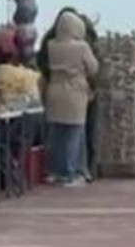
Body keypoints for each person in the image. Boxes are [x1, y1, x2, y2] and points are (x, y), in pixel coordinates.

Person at [42, 10, 99, 187]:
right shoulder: (81, 47)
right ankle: (71, 173)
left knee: (57, 134)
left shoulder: (51, 45)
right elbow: (93, 68)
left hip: (55, 91)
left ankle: (56, 171)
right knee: (74, 134)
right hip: (75, 93)